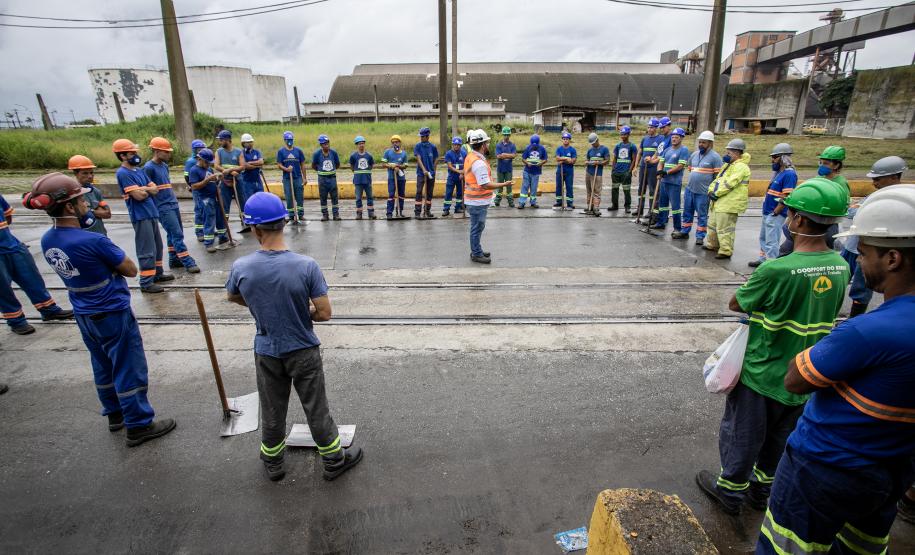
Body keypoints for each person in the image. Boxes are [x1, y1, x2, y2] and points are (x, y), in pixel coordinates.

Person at [757, 184, 915, 554]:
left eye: (863, 253)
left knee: (787, 546)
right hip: (893, 470)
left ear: (892, 258)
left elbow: (796, 379)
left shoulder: (869, 331)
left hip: (827, 468)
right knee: (862, 546)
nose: (858, 261)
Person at [696, 177, 851, 516]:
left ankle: (731, 492)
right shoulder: (841, 267)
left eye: (790, 213)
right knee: (781, 436)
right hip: (806, 372)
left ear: (797, 220)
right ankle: (761, 490)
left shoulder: (777, 269)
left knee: (743, 434)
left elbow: (738, 303)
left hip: (763, 370)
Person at [27, 172, 176, 446]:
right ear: (69, 207)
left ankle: (115, 415)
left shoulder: (49, 240)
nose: (86, 203)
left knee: (102, 365)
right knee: (128, 367)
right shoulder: (92, 240)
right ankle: (139, 424)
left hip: (84, 314)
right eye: (81, 200)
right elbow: (130, 269)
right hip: (111, 312)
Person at [226, 191, 363, 482]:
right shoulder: (306, 266)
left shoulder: (242, 267)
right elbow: (324, 313)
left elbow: (234, 296)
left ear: (254, 228)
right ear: (284, 223)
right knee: (316, 407)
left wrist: (262, 304)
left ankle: (273, 462)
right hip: (302, 349)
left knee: (273, 407)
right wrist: (302, 311)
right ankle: (334, 461)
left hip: (266, 350)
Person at [0, 189, 72, 335]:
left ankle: (49, 310)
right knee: (3, 289)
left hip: (12, 245)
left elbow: (8, 216)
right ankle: (16, 320)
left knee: (32, 278)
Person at [843, 156, 907, 317]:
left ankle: (854, 319)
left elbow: (855, 211)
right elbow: (851, 211)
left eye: (878, 178)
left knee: (861, 288)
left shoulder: (899, 200)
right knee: (838, 280)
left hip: (871, 251)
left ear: (894, 176)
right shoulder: (876, 196)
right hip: (852, 246)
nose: (874, 183)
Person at [112, 138, 173, 293]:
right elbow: (138, 196)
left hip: (151, 212)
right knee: (146, 248)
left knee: (157, 246)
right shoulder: (123, 173)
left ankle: (157, 273)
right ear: (122, 156)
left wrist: (143, 189)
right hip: (140, 215)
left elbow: (155, 189)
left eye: (135, 152)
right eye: (131, 153)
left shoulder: (138, 171)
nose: (135, 155)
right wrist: (146, 190)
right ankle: (146, 282)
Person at [144, 137, 200, 274]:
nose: (169, 154)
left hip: (172, 203)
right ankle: (187, 261)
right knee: (177, 233)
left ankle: (174, 259)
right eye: (166, 152)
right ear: (156, 151)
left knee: (172, 234)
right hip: (162, 206)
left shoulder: (164, 166)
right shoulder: (148, 168)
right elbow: (148, 189)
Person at [464, 129, 511, 264]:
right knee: (477, 227)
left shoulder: (471, 156)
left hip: (474, 200)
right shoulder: (478, 163)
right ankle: (476, 253)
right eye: (487, 143)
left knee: (477, 227)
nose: (488, 145)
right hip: (476, 201)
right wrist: (503, 184)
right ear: (483, 145)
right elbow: (485, 184)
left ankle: (476, 250)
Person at [748, 143, 797, 268]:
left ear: (783, 158)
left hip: (775, 213)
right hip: (768, 212)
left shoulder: (789, 174)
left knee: (771, 241)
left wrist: (776, 211)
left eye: (775, 157)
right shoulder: (779, 173)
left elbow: (786, 196)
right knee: (764, 238)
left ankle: (771, 264)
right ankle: (763, 259)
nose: (772, 160)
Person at [704, 138, 751, 260]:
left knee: (725, 228)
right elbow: (717, 180)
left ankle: (725, 250)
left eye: (728, 153)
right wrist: (710, 190)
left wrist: (717, 193)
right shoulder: (727, 165)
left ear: (736, 153)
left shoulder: (741, 167)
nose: (726, 155)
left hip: (729, 203)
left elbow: (730, 183)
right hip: (719, 202)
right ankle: (712, 245)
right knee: (712, 225)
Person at [681, 131, 722, 245]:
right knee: (687, 212)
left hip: (703, 193)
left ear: (710, 143)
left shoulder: (715, 157)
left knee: (702, 215)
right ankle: (685, 231)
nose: (701, 144)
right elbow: (690, 169)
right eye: (700, 142)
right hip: (690, 190)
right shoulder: (694, 155)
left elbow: (718, 177)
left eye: (703, 142)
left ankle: (700, 236)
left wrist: (713, 191)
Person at [189, 149, 230, 253]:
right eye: (206, 162)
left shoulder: (209, 169)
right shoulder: (194, 170)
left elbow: (213, 181)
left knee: (220, 217)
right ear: (199, 159)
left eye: (209, 163)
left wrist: (218, 178)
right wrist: (207, 180)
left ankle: (223, 236)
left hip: (215, 197)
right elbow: (194, 186)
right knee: (210, 220)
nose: (208, 165)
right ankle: (208, 243)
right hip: (206, 199)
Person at [653, 127, 689, 236]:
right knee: (663, 204)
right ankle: (661, 222)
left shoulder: (684, 150)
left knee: (675, 206)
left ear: (681, 138)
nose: (674, 139)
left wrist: (666, 172)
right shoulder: (667, 150)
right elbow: (661, 162)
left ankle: (677, 228)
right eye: (673, 137)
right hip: (664, 181)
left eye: (676, 137)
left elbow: (680, 166)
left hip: (674, 182)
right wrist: (659, 171)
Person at [68, 154, 111, 236]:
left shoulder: (96, 192)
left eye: (91, 173)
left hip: (101, 235)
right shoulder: (72, 194)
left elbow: (107, 213)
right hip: (83, 236)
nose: (90, 176)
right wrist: (97, 211)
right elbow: (76, 215)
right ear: (75, 174)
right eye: (85, 173)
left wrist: (89, 211)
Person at [632, 117, 662, 218]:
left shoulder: (660, 139)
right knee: (641, 188)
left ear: (656, 128)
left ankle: (651, 210)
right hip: (643, 167)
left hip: (653, 167)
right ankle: (639, 208)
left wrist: (653, 160)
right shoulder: (644, 139)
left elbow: (660, 154)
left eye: (652, 127)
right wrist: (635, 167)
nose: (649, 129)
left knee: (652, 190)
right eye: (648, 127)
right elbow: (640, 153)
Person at [214, 130, 243, 230]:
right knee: (224, 204)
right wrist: (228, 171)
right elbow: (216, 165)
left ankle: (245, 222)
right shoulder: (219, 152)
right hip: (225, 182)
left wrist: (232, 169)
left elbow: (242, 166)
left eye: (221, 140)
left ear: (227, 140)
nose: (220, 142)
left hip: (238, 181)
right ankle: (224, 225)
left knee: (242, 202)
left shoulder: (238, 152)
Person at [276, 131, 307, 224]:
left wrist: (304, 178)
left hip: (297, 178)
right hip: (287, 179)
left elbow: (303, 164)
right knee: (289, 197)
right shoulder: (281, 151)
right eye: (288, 140)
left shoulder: (298, 151)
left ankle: (301, 215)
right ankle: (291, 216)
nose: (290, 141)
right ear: (284, 140)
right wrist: (286, 169)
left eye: (291, 140)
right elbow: (279, 164)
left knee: (299, 196)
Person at [238, 133, 265, 231]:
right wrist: (255, 165)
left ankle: (260, 219)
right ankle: (248, 220)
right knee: (248, 202)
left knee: (260, 199)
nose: (250, 144)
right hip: (246, 181)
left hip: (257, 180)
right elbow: (244, 165)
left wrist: (250, 164)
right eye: (247, 142)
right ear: (243, 143)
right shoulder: (241, 153)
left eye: (251, 142)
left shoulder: (257, 152)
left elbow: (261, 162)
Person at [312, 134, 341, 221]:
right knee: (323, 197)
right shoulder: (317, 154)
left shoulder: (333, 153)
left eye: (327, 143)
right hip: (322, 179)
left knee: (334, 196)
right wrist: (321, 171)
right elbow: (313, 165)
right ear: (321, 145)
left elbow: (337, 164)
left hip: (332, 178)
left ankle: (336, 214)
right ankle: (325, 215)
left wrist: (331, 170)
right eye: (324, 144)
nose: (326, 145)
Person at [183, 139, 207, 241]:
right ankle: (199, 233)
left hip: (204, 188)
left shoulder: (204, 159)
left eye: (202, 148)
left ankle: (207, 230)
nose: (200, 150)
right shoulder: (191, 161)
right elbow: (187, 176)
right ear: (194, 149)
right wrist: (191, 186)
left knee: (206, 210)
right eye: (198, 149)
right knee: (199, 210)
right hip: (197, 189)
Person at [607, 127, 635, 214]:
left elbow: (634, 160)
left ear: (628, 134)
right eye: (621, 134)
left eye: (624, 134)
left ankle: (627, 206)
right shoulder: (618, 146)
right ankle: (614, 205)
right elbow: (615, 158)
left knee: (626, 190)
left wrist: (629, 171)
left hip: (626, 172)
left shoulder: (632, 146)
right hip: (617, 172)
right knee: (614, 189)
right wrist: (613, 170)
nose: (622, 136)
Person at [413, 127, 439, 219]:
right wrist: (424, 169)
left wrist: (434, 168)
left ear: (427, 137)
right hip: (421, 173)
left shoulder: (433, 147)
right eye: (420, 136)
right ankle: (417, 212)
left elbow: (436, 158)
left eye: (423, 136)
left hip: (431, 174)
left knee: (429, 193)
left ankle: (427, 211)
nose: (421, 138)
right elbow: (418, 158)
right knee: (419, 191)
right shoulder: (418, 146)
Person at [349, 136, 376, 220]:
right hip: (358, 180)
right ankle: (359, 213)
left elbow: (371, 165)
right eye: (359, 144)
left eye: (363, 143)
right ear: (357, 145)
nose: (361, 145)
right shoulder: (353, 156)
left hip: (367, 180)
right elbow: (352, 166)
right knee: (358, 198)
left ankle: (371, 213)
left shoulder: (369, 155)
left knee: (370, 196)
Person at [584, 132, 610, 216]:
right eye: (591, 143)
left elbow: (607, 160)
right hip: (589, 172)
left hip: (597, 173)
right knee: (589, 190)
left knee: (596, 191)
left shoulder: (604, 149)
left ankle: (596, 207)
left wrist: (599, 163)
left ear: (597, 140)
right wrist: (587, 162)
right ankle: (589, 206)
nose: (593, 145)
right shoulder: (590, 150)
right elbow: (587, 159)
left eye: (594, 143)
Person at [382, 135, 408, 219]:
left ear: (400, 143)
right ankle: (389, 213)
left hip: (401, 178)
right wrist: (391, 166)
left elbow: (406, 165)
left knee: (401, 195)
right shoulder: (387, 152)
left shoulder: (404, 153)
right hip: (391, 178)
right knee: (391, 194)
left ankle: (399, 211)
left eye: (396, 142)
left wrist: (399, 166)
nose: (395, 144)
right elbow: (383, 164)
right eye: (393, 142)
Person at [518, 135, 547, 209]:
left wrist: (541, 163)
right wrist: (527, 163)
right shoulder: (528, 148)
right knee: (525, 187)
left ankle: (533, 202)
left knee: (534, 188)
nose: (534, 147)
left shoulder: (542, 149)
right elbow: (523, 158)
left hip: (536, 172)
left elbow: (545, 159)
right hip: (527, 171)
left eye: (535, 145)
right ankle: (522, 203)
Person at [494, 126, 517, 207]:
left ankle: (510, 202)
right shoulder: (498, 145)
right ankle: (497, 201)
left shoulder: (512, 145)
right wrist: (509, 155)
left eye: (508, 135)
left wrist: (504, 154)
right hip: (500, 169)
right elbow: (498, 156)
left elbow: (514, 155)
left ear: (510, 135)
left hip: (508, 169)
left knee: (509, 186)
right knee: (500, 186)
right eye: (505, 135)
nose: (506, 136)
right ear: (503, 135)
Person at [442, 137, 465, 217]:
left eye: (458, 145)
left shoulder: (463, 153)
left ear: (460, 145)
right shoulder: (448, 153)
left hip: (461, 177)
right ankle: (446, 209)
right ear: (452, 145)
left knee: (460, 193)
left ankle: (458, 208)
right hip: (452, 177)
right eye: (455, 145)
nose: (456, 146)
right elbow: (450, 166)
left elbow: (466, 164)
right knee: (448, 193)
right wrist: (459, 172)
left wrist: (462, 174)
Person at [554, 132, 577, 210]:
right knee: (559, 186)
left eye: (567, 139)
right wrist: (566, 158)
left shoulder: (572, 150)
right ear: (562, 140)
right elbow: (557, 158)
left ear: (569, 140)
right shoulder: (559, 149)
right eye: (564, 139)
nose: (565, 140)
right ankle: (559, 202)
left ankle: (570, 203)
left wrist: (562, 159)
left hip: (569, 171)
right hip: (560, 170)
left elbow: (573, 161)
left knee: (569, 187)